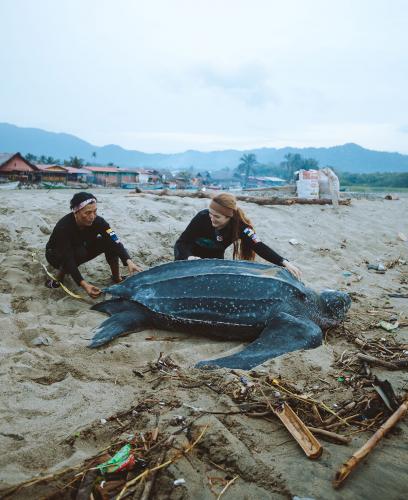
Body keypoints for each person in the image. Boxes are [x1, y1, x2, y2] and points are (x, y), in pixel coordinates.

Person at [174, 192, 302, 279]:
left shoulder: (241, 227)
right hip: (190, 260)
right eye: (210, 214)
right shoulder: (202, 217)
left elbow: (259, 246)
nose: (211, 218)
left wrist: (284, 262)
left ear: (228, 217)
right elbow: (182, 243)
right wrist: (188, 257)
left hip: (215, 262)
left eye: (217, 216)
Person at [45, 192, 142, 298]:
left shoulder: (99, 221)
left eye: (95, 211)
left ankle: (116, 277)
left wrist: (128, 261)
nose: (92, 216)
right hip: (55, 255)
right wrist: (84, 284)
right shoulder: (63, 227)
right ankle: (58, 279)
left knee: (108, 241)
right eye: (87, 213)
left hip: (80, 246)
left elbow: (114, 238)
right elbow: (67, 257)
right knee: (78, 253)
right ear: (76, 212)